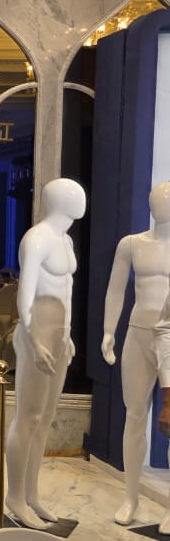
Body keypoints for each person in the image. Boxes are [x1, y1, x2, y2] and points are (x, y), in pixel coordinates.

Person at [5, 178, 85, 529]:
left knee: (45, 417)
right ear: (58, 200)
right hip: (36, 333)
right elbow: (25, 293)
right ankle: (15, 497)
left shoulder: (65, 240)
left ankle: (32, 494)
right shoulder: (36, 238)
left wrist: (66, 335)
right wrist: (33, 339)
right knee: (28, 416)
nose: (81, 198)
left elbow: (66, 291)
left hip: (59, 338)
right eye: (74, 194)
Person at [106, 183, 170, 528]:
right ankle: (130, 498)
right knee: (133, 416)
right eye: (156, 200)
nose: (160, 206)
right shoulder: (131, 244)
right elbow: (116, 289)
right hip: (137, 333)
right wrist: (108, 331)